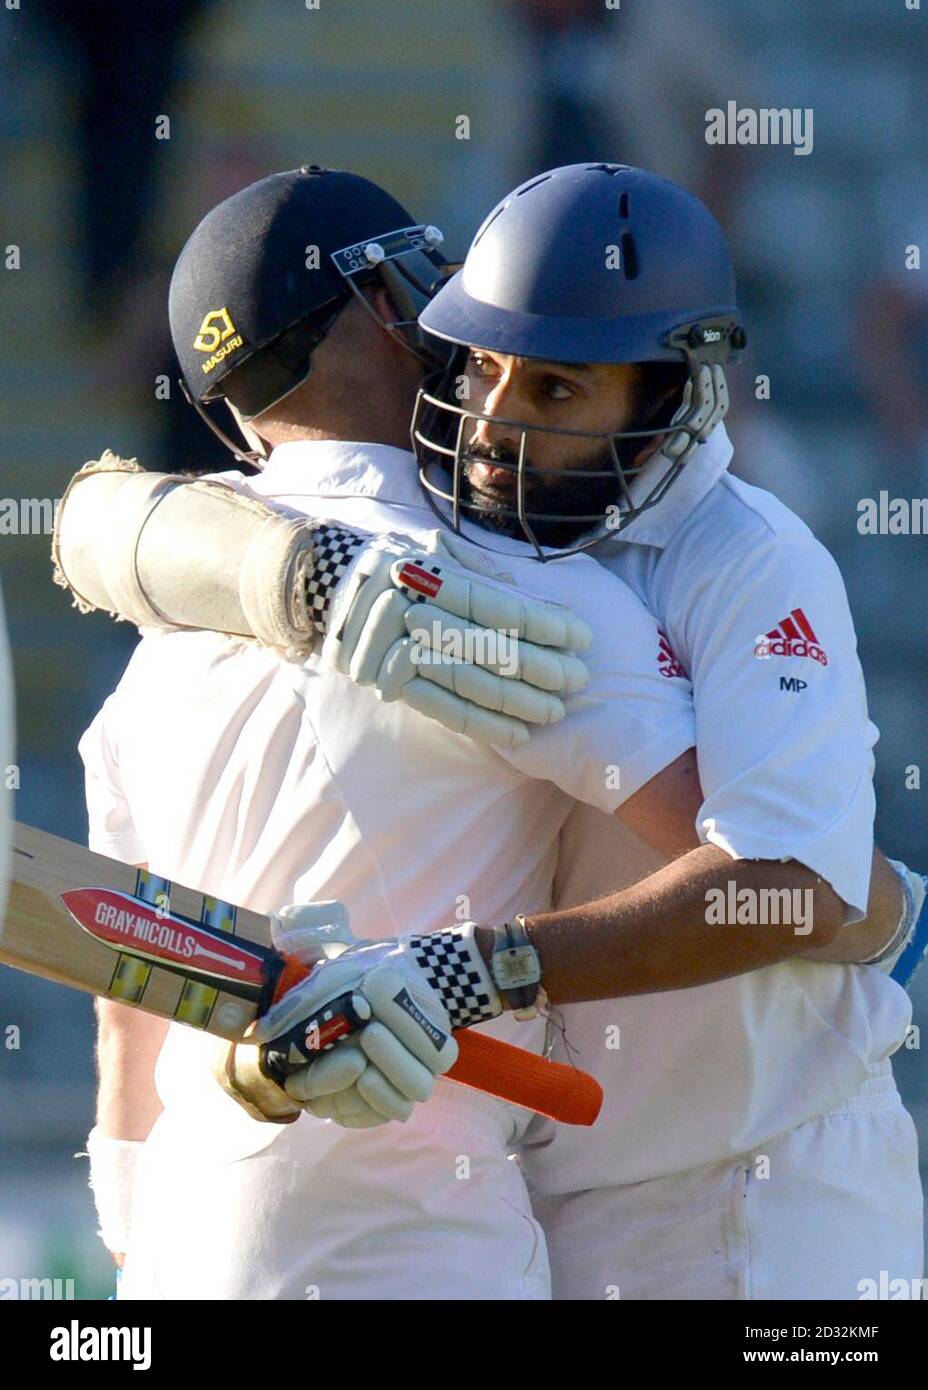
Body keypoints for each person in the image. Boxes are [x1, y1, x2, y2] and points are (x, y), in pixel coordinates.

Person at [68, 164, 924, 1301]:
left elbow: (798, 889)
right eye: (481, 363)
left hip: (763, 1183)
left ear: (660, 391)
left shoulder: (732, 559)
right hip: (527, 1201)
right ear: (392, 317)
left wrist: (473, 969)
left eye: (557, 390)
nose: (495, 420)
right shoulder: (477, 567)